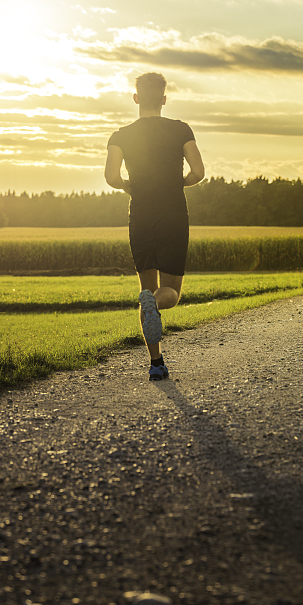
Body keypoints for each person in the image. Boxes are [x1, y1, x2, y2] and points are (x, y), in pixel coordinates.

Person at [104, 72, 205, 380]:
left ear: (136, 98)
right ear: (163, 99)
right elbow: (198, 171)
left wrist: (128, 187)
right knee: (171, 292)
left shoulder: (120, 135)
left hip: (141, 215)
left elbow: (111, 177)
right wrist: (178, 184)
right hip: (173, 213)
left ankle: (156, 362)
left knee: (145, 289)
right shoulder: (181, 130)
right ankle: (154, 304)